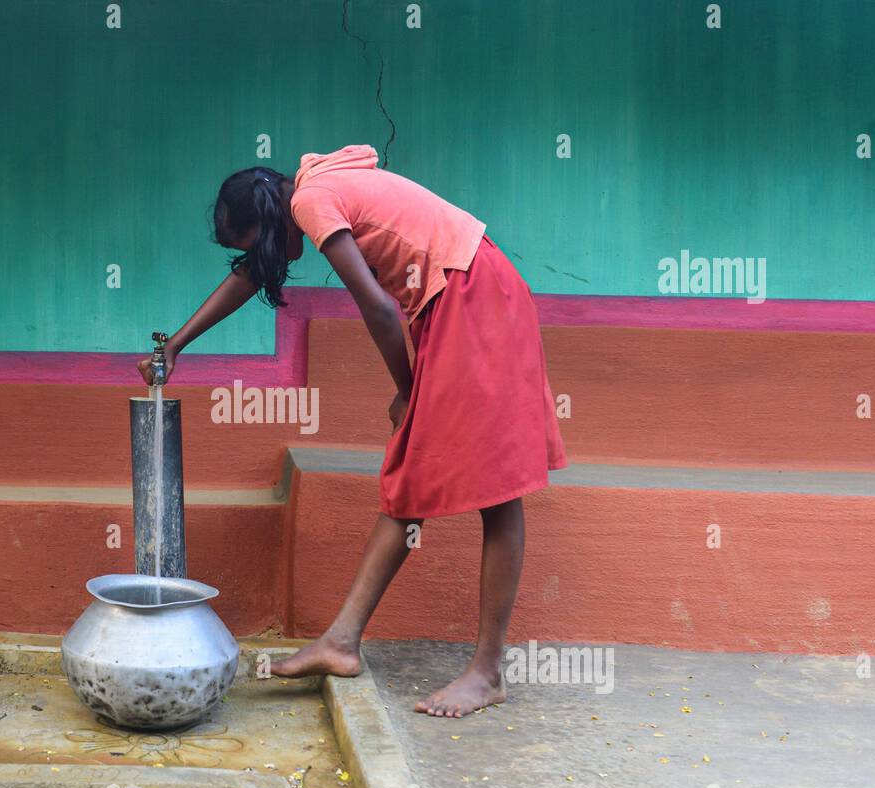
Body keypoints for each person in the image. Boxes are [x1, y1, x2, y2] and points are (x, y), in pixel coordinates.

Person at [138, 145, 567, 717]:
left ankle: (486, 673)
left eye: (251, 244)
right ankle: (342, 642)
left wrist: (406, 388)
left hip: (472, 296)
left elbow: (379, 309)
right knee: (410, 481)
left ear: (267, 222)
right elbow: (251, 277)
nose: (259, 261)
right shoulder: (310, 192)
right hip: (459, 296)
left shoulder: (313, 202)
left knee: (497, 489)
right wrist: (177, 344)